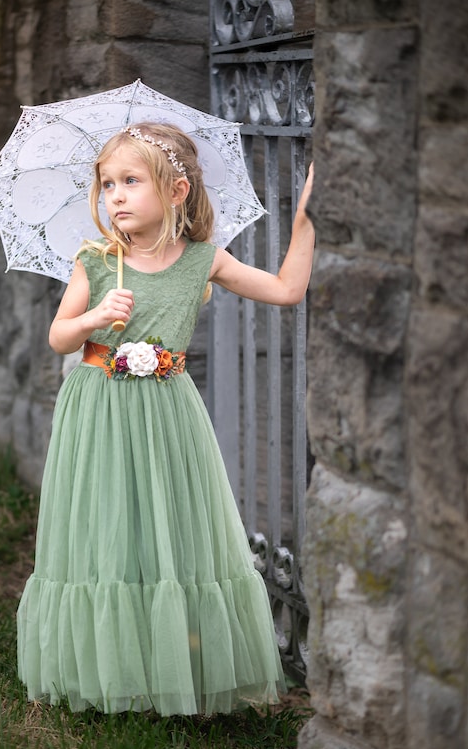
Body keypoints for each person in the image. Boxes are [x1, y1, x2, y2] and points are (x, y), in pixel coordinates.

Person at [17, 122, 315, 716]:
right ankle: (106, 665)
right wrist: (95, 316)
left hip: (166, 411)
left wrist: (307, 217)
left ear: (176, 192)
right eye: (107, 185)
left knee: (166, 519)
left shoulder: (202, 260)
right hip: (98, 407)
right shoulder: (97, 261)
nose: (115, 197)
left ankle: (174, 662)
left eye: (131, 181)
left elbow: (286, 290)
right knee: (107, 524)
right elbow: (58, 337)